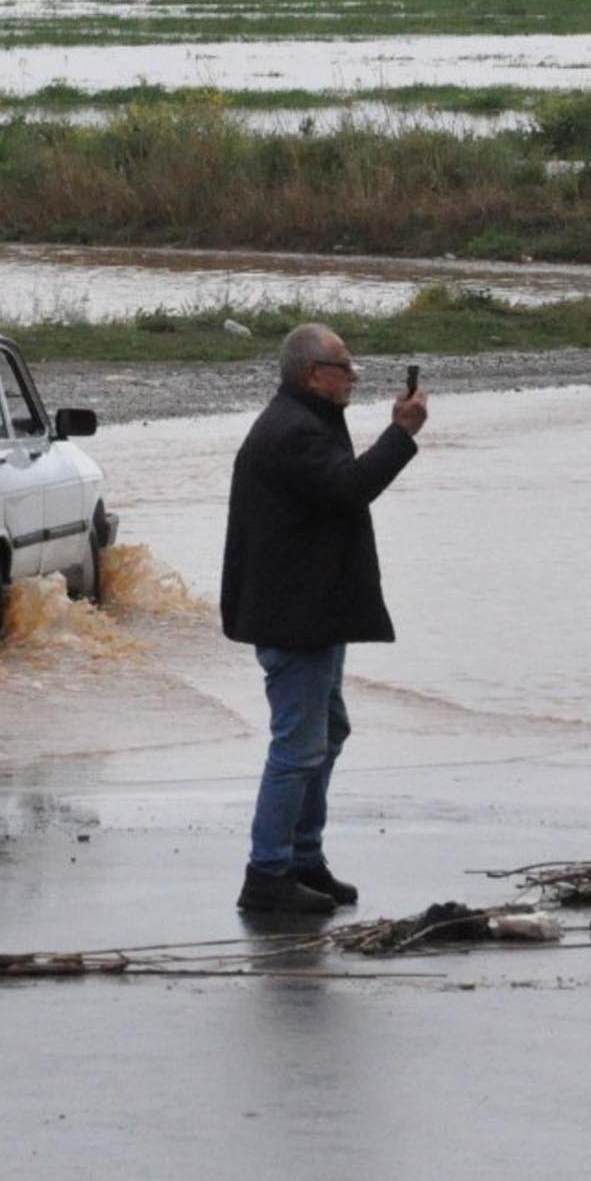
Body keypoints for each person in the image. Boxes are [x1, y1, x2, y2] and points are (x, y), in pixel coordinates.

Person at [219, 322, 426, 915]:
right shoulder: (291, 433)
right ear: (314, 374)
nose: (353, 376)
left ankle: (303, 858)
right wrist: (402, 433)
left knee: (326, 734)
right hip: (293, 617)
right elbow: (348, 488)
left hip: (311, 610)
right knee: (298, 745)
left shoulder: (305, 420)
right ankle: (266, 874)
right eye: (344, 367)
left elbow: (338, 490)